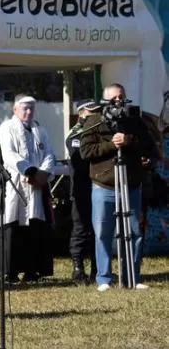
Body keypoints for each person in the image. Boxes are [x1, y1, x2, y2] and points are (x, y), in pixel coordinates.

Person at [79, 83, 158, 291]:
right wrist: (111, 144)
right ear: (105, 100)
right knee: (103, 232)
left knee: (134, 232)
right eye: (114, 98)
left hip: (130, 185)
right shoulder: (94, 121)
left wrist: (129, 140)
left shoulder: (134, 120)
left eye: (121, 96)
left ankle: (133, 275)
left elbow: (149, 146)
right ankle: (104, 278)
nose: (118, 101)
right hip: (103, 186)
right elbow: (85, 152)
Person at [0, 96, 56, 283]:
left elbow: (49, 154)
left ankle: (32, 270)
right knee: (13, 226)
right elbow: (9, 154)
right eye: (25, 108)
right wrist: (28, 170)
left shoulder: (39, 130)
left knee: (34, 228)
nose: (29, 112)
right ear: (15, 109)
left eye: (31, 108)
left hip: (36, 186)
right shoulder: (6, 128)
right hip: (16, 184)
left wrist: (43, 174)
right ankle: (10, 271)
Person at [65, 100, 100, 284]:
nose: (95, 115)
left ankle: (97, 267)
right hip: (80, 189)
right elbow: (82, 156)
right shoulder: (76, 133)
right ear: (81, 113)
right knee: (81, 229)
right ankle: (78, 269)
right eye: (91, 112)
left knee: (98, 229)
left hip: (98, 185)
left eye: (97, 111)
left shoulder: (99, 130)